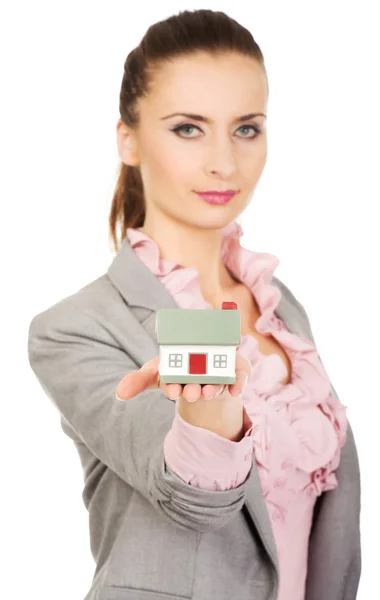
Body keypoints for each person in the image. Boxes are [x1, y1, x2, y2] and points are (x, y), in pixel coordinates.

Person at [27, 9, 361, 600]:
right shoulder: (75, 329)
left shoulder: (284, 312)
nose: (224, 163)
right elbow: (190, 499)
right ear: (127, 140)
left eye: (246, 128)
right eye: (188, 128)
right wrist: (209, 416)